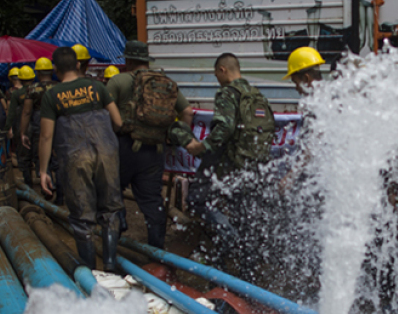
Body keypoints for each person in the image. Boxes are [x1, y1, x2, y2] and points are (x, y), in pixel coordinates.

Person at [185, 53, 276, 267]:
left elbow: (224, 128)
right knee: (244, 219)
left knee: (197, 199)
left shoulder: (227, 93)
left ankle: (227, 245)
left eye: (216, 73)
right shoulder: (257, 94)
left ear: (222, 70)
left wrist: (201, 147)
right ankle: (247, 276)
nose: (216, 77)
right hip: (254, 165)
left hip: (231, 165)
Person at [37, 46, 123, 270]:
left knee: (82, 216)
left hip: (75, 156)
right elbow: (118, 122)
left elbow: (46, 136)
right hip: (106, 152)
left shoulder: (52, 95)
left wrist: (44, 170)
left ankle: (90, 272)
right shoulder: (98, 87)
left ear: (55, 69)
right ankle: (111, 265)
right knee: (111, 209)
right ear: (77, 65)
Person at [106, 40, 194, 248]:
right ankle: (157, 253)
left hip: (124, 147)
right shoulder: (165, 82)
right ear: (146, 60)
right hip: (155, 149)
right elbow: (187, 112)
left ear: (127, 59)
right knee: (153, 202)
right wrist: (173, 137)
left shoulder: (117, 81)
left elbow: (106, 116)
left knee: (112, 192)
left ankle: (116, 237)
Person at [21, 58, 58, 190]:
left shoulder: (32, 89)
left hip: (39, 122)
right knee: (58, 157)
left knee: (41, 154)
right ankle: (61, 193)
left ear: (38, 73)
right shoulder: (59, 87)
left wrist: (23, 132)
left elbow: (26, 112)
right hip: (58, 122)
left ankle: (48, 188)